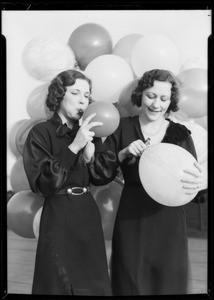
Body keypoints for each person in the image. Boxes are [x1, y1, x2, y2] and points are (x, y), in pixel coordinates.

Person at [89, 69, 207, 295]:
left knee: (168, 283)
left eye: (164, 99)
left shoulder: (181, 134)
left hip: (169, 221)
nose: (156, 104)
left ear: (171, 101)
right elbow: (99, 175)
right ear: (140, 95)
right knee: (130, 280)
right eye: (151, 96)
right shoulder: (121, 127)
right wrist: (122, 153)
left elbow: (194, 185)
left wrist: (201, 182)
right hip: (132, 219)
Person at [23, 69, 114, 296]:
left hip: (87, 211)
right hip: (58, 212)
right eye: (76, 93)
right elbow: (44, 185)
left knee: (94, 283)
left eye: (87, 95)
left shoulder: (93, 132)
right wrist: (74, 147)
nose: (83, 100)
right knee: (57, 283)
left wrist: (90, 155)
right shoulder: (40, 133)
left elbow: (103, 177)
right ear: (59, 95)